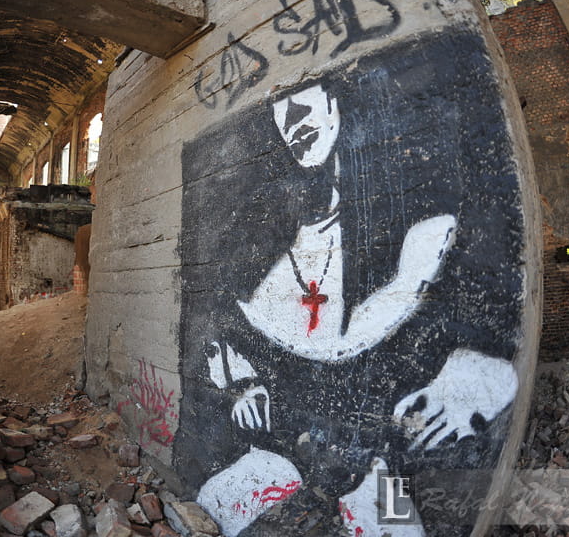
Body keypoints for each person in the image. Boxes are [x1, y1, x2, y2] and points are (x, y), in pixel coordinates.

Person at [194, 83, 518, 537]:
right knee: (220, 503)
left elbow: (482, 319)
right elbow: (224, 333)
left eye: (304, 99)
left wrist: (471, 372)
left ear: (337, 105)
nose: (292, 119)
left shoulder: (421, 227)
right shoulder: (260, 245)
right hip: (287, 449)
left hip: (377, 456)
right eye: (280, 110)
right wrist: (245, 386)